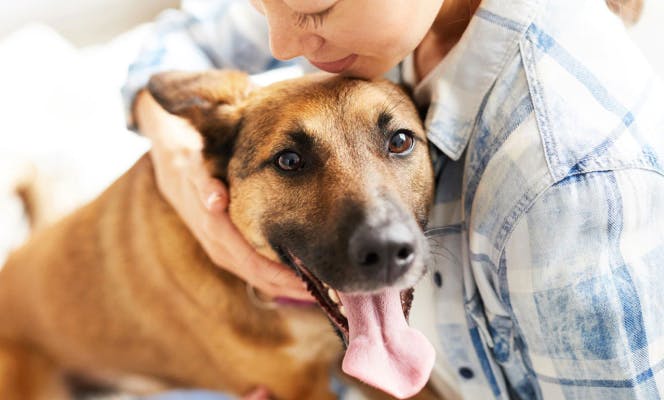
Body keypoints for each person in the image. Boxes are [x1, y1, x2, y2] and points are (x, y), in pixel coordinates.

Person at [122, 0, 664, 398]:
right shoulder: (366, 22)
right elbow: (170, 45)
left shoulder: (564, 183)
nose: (281, 47)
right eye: (265, 7)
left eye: (316, 7)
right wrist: (177, 159)